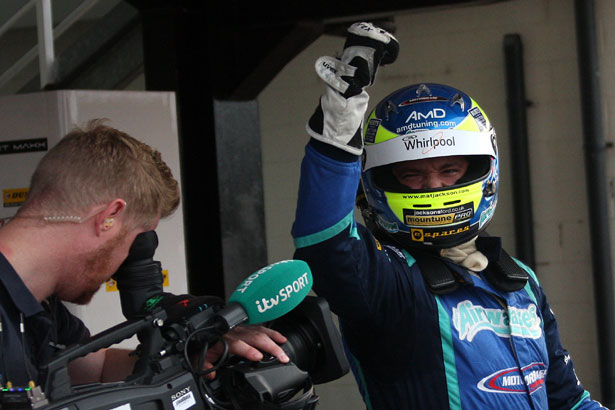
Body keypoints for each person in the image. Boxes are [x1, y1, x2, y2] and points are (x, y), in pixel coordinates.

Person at [291, 22, 607, 409]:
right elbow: (325, 243)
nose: (433, 187)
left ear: (480, 170)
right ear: (378, 183)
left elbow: (568, 401)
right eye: (412, 174)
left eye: (449, 170)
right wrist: (337, 130)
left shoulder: (518, 280)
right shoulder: (387, 281)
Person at [0, 119, 288, 389]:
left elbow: (95, 371)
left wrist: (195, 357)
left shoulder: (39, 301)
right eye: (136, 239)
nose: (125, 260)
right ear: (109, 216)